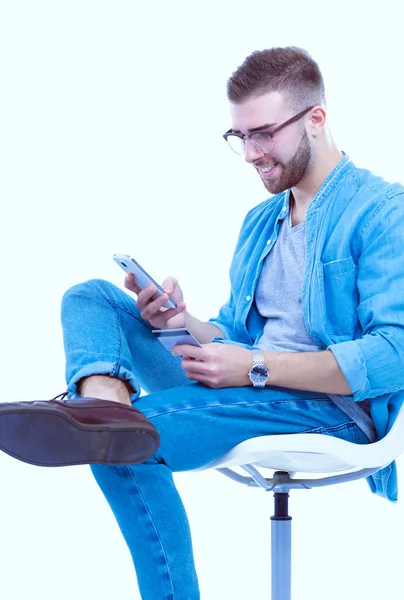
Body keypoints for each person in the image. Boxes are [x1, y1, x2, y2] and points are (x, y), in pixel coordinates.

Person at [1, 46, 404, 599]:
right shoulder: (263, 221)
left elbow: (392, 357)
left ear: (316, 118)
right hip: (254, 386)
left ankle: (108, 422)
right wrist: (179, 320)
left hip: (332, 410)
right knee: (92, 297)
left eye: (263, 133)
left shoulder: (384, 211)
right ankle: (102, 403)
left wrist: (256, 366)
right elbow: (239, 340)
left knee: (125, 444)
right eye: (239, 137)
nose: (249, 154)